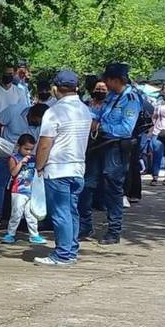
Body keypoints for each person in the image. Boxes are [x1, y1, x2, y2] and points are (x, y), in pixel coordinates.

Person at [33, 70, 92, 266]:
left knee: (60, 213)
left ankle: (63, 254)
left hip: (58, 169)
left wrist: (39, 166)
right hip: (78, 168)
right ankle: (71, 249)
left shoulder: (54, 111)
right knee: (71, 210)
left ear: (55, 88)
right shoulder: (85, 110)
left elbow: (44, 143)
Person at [84, 63, 142, 246]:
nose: (105, 84)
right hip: (99, 146)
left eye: (107, 80)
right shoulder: (111, 97)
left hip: (115, 148)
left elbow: (126, 129)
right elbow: (99, 113)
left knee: (112, 188)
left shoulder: (130, 99)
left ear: (115, 80)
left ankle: (114, 230)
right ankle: (84, 225)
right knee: (88, 184)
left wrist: (100, 127)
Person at [0, 103, 48, 229]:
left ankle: (23, 218)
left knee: (24, 188)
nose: (38, 124)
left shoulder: (44, 124)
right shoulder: (14, 110)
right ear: (31, 114)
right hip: (6, 154)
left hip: (28, 158)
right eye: (37, 121)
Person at [0, 134, 45, 245]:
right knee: (16, 213)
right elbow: (13, 172)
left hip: (31, 191)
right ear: (19, 146)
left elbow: (39, 170)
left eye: (31, 149)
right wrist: (21, 163)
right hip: (18, 191)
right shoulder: (14, 158)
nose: (28, 152)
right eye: (26, 149)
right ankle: (11, 233)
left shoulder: (34, 159)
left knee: (31, 214)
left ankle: (34, 235)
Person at [78, 79, 108, 238]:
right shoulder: (84, 105)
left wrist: (96, 125)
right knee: (87, 186)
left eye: (104, 89)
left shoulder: (110, 106)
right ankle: (85, 224)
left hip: (106, 148)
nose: (101, 91)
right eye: (98, 88)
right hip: (87, 149)